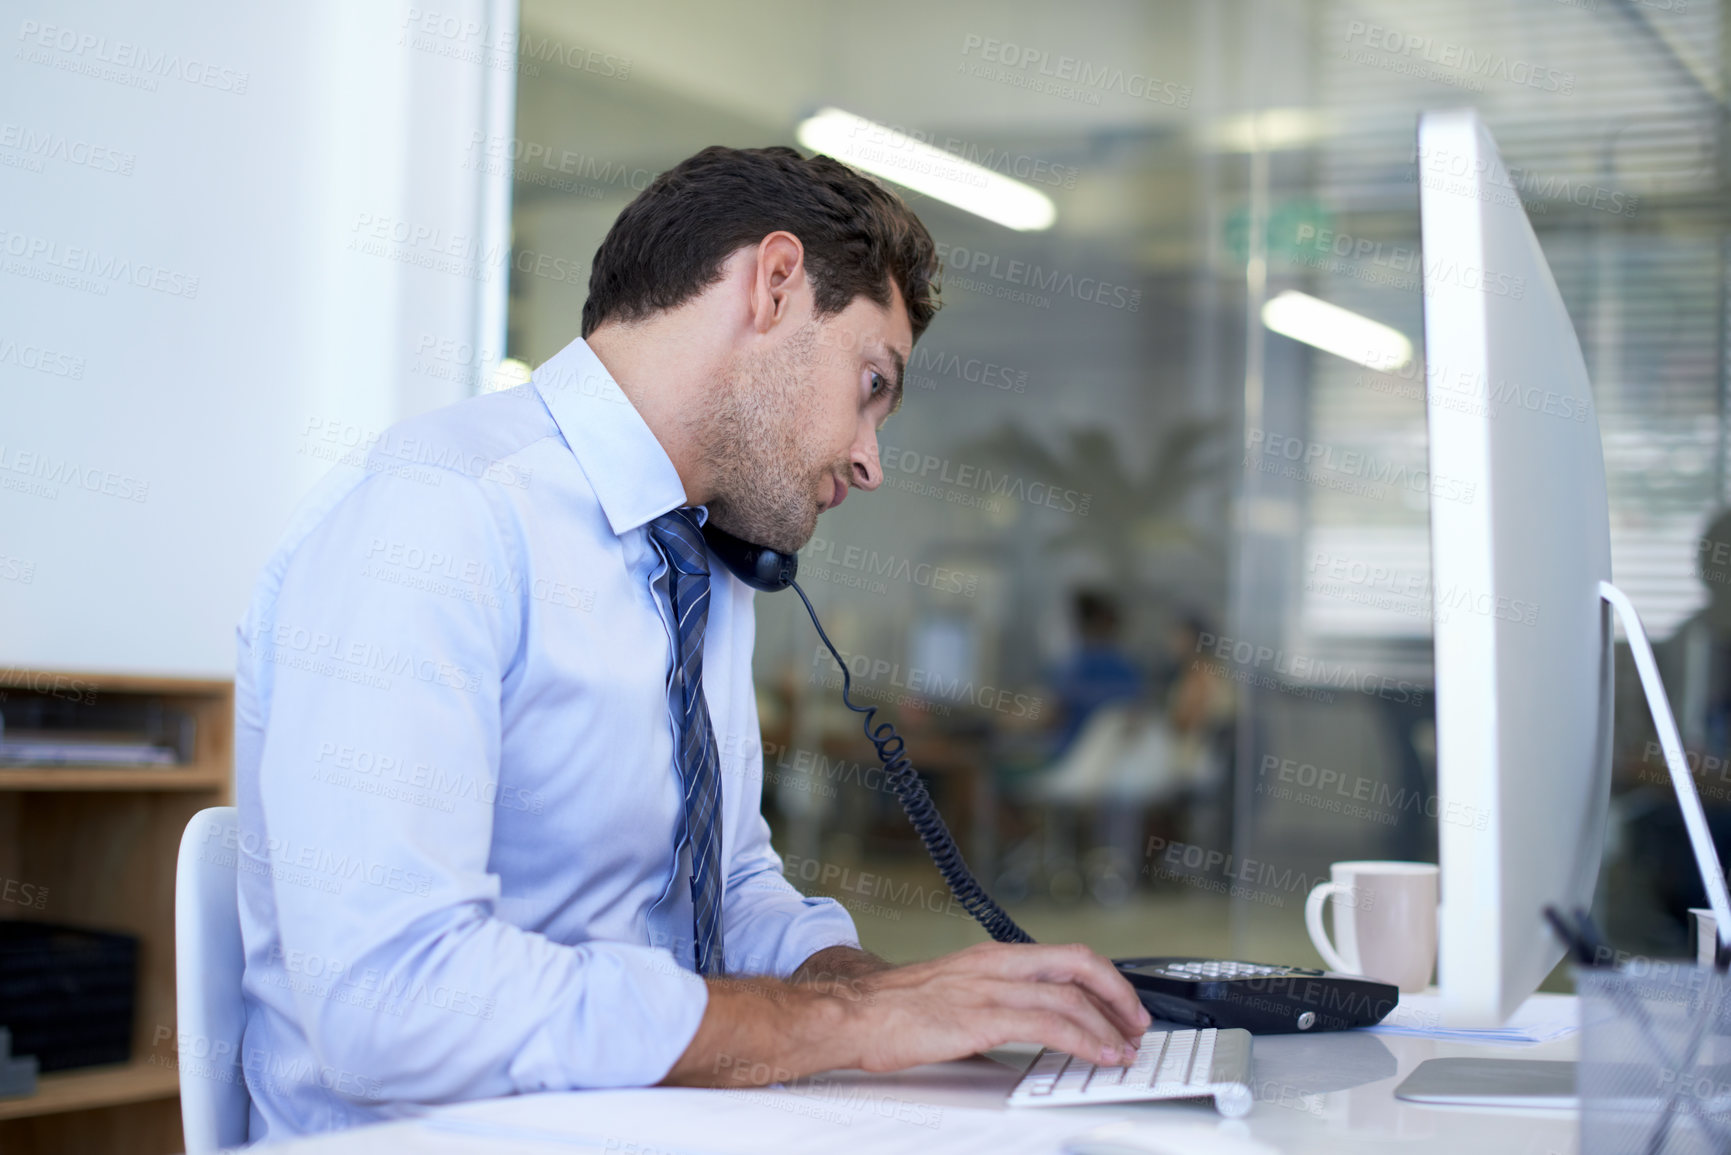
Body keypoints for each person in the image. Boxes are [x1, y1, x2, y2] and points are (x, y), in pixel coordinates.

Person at [233, 146, 1149, 1139]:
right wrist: (839, 1022)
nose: (869, 458)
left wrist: (886, 992)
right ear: (775, 283)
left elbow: (726, 890)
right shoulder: (439, 519)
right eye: (871, 383)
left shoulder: (702, 556)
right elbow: (391, 1000)